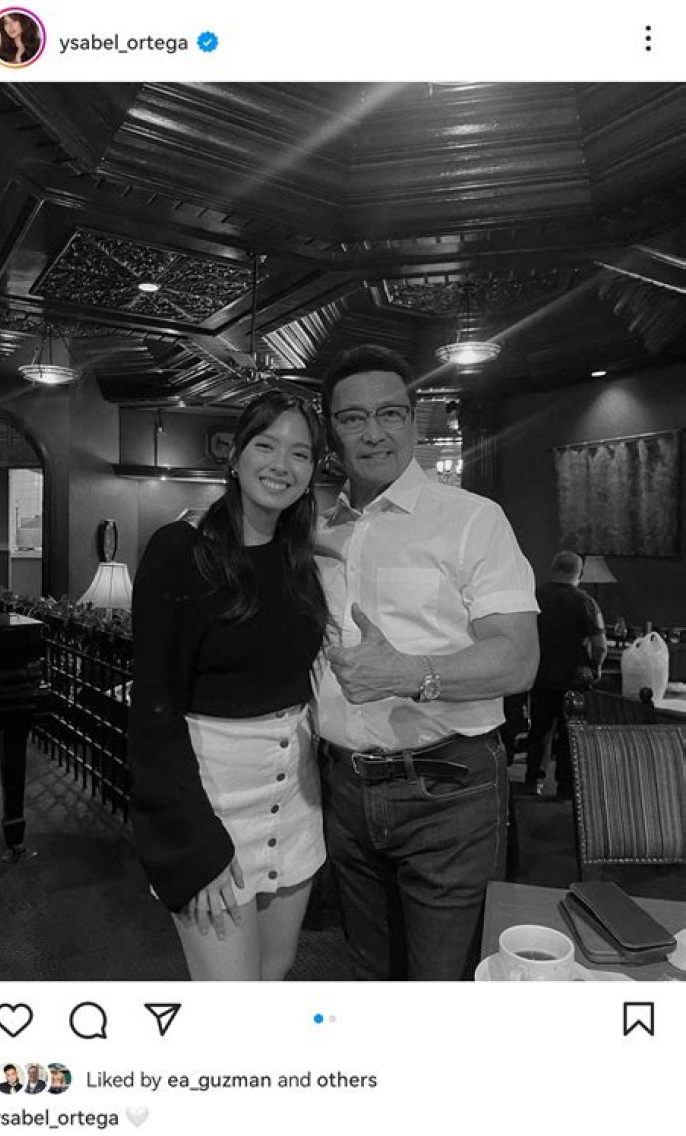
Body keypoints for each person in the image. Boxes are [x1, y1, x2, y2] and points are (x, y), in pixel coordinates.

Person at [314, 344, 539, 980]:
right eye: (352, 418)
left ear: (414, 420)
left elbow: (519, 659)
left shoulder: (472, 520)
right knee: (370, 974)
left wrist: (411, 674)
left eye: (390, 413)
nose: (373, 432)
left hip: (449, 790)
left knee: (443, 984)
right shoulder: (321, 530)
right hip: (344, 790)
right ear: (331, 431)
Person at [128, 391, 329, 981]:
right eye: (266, 445)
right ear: (235, 456)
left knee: (274, 970)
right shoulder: (180, 550)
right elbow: (154, 707)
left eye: (300, 453)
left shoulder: (301, 560)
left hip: (294, 800)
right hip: (211, 804)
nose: (281, 464)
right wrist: (192, 838)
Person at [524, 550, 607, 800]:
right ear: (579, 573)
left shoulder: (534, 596)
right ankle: (566, 788)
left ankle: (533, 781)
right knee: (569, 734)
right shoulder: (585, 602)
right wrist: (596, 667)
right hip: (573, 679)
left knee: (539, 731)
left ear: (553, 569)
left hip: (539, 675)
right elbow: (600, 645)